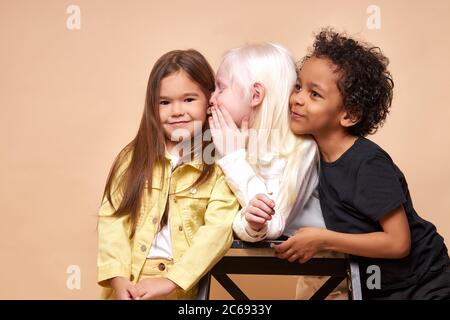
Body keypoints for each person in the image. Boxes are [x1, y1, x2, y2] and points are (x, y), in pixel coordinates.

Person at [275, 29, 450, 299]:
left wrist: (323, 239)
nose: (297, 98)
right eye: (298, 86)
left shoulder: (367, 163)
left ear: (349, 115)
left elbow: (398, 242)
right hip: (374, 283)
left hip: (423, 283)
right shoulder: (309, 155)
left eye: (315, 94)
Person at [97, 49, 239, 300]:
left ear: (209, 100)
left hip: (181, 285)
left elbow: (218, 230)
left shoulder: (219, 163)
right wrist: (119, 280)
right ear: (152, 107)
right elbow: (113, 221)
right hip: (128, 283)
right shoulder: (132, 158)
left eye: (188, 100)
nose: (176, 111)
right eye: (165, 102)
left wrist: (173, 280)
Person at [209, 43, 347, 299]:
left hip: (331, 274)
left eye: (221, 87)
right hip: (295, 270)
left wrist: (233, 159)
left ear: (256, 95)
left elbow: (271, 222)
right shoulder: (228, 141)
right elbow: (227, 215)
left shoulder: (300, 148)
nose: (212, 97)